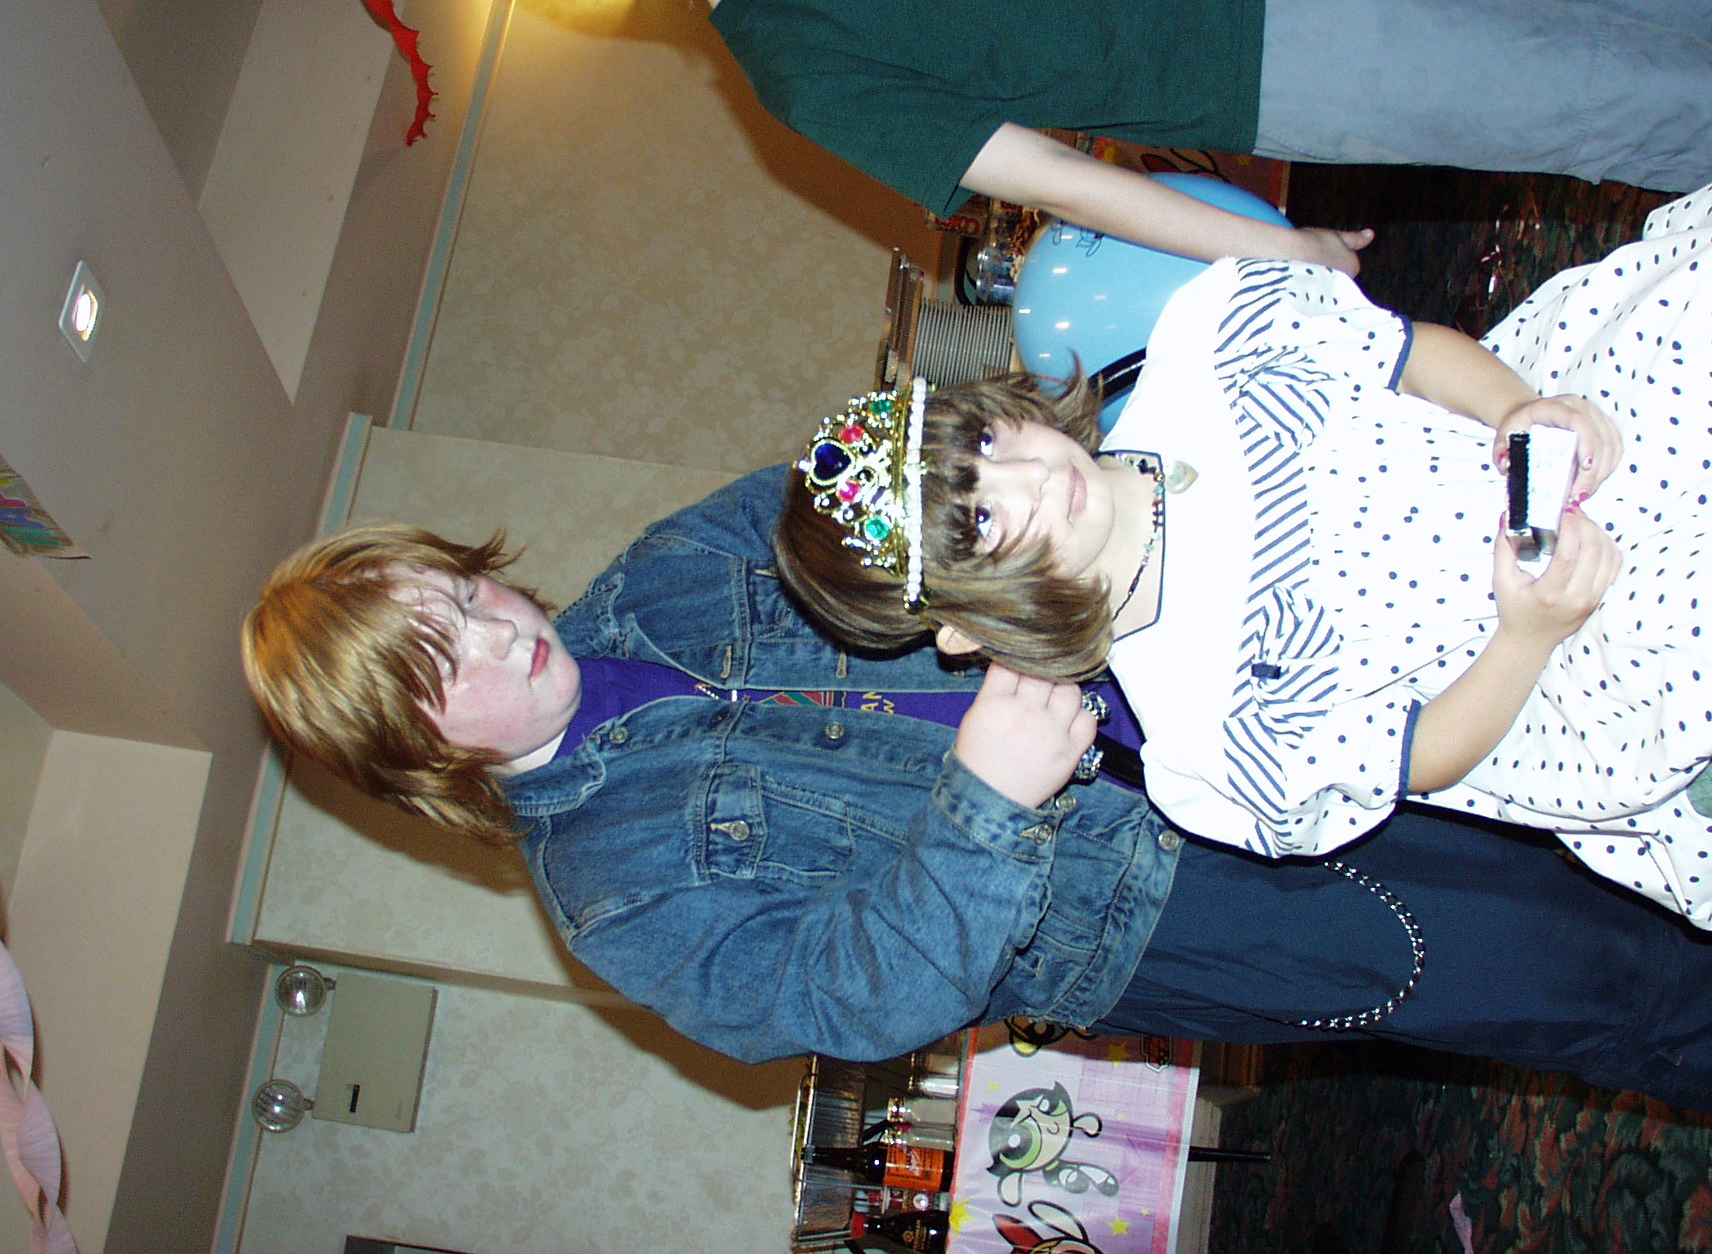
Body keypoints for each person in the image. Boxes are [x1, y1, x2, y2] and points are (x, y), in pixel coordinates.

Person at [243, 467, 1712, 1115]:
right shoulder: (611, 899)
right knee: (1574, 973)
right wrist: (984, 804)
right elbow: (844, 1002)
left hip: (1210, 692)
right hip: (1158, 911)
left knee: (1575, 793)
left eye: (465, 589)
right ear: (416, 754)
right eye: (444, 661)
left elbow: (876, 478)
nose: (499, 627)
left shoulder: (669, 570)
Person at [774, 181, 1712, 931]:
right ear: (965, 629)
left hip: (1572, 436)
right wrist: (1528, 636)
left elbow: (1410, 355)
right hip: (1570, 665)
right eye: (981, 521)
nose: (1030, 474)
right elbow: (1422, 755)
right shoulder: (1208, 725)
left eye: (987, 442)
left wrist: (1519, 410)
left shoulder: (1210, 344)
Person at [467, 0, 1712, 273]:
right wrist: (1276, 250)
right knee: (1621, 97)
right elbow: (1057, 181)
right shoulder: (794, 65)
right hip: (1267, 58)